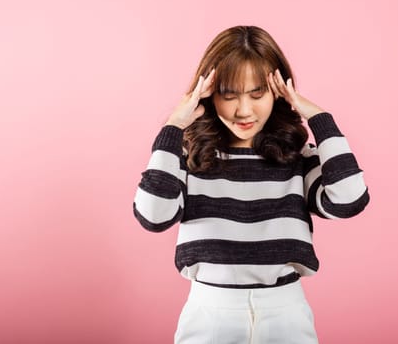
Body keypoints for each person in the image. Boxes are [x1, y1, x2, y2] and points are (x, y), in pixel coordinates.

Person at [133, 25, 369, 344]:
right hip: (209, 313)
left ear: (278, 91)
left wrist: (320, 117)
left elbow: (349, 200)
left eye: (257, 94)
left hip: (286, 313)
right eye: (229, 95)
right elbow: (152, 216)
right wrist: (174, 126)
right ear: (208, 94)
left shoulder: (296, 157)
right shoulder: (188, 157)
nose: (244, 110)